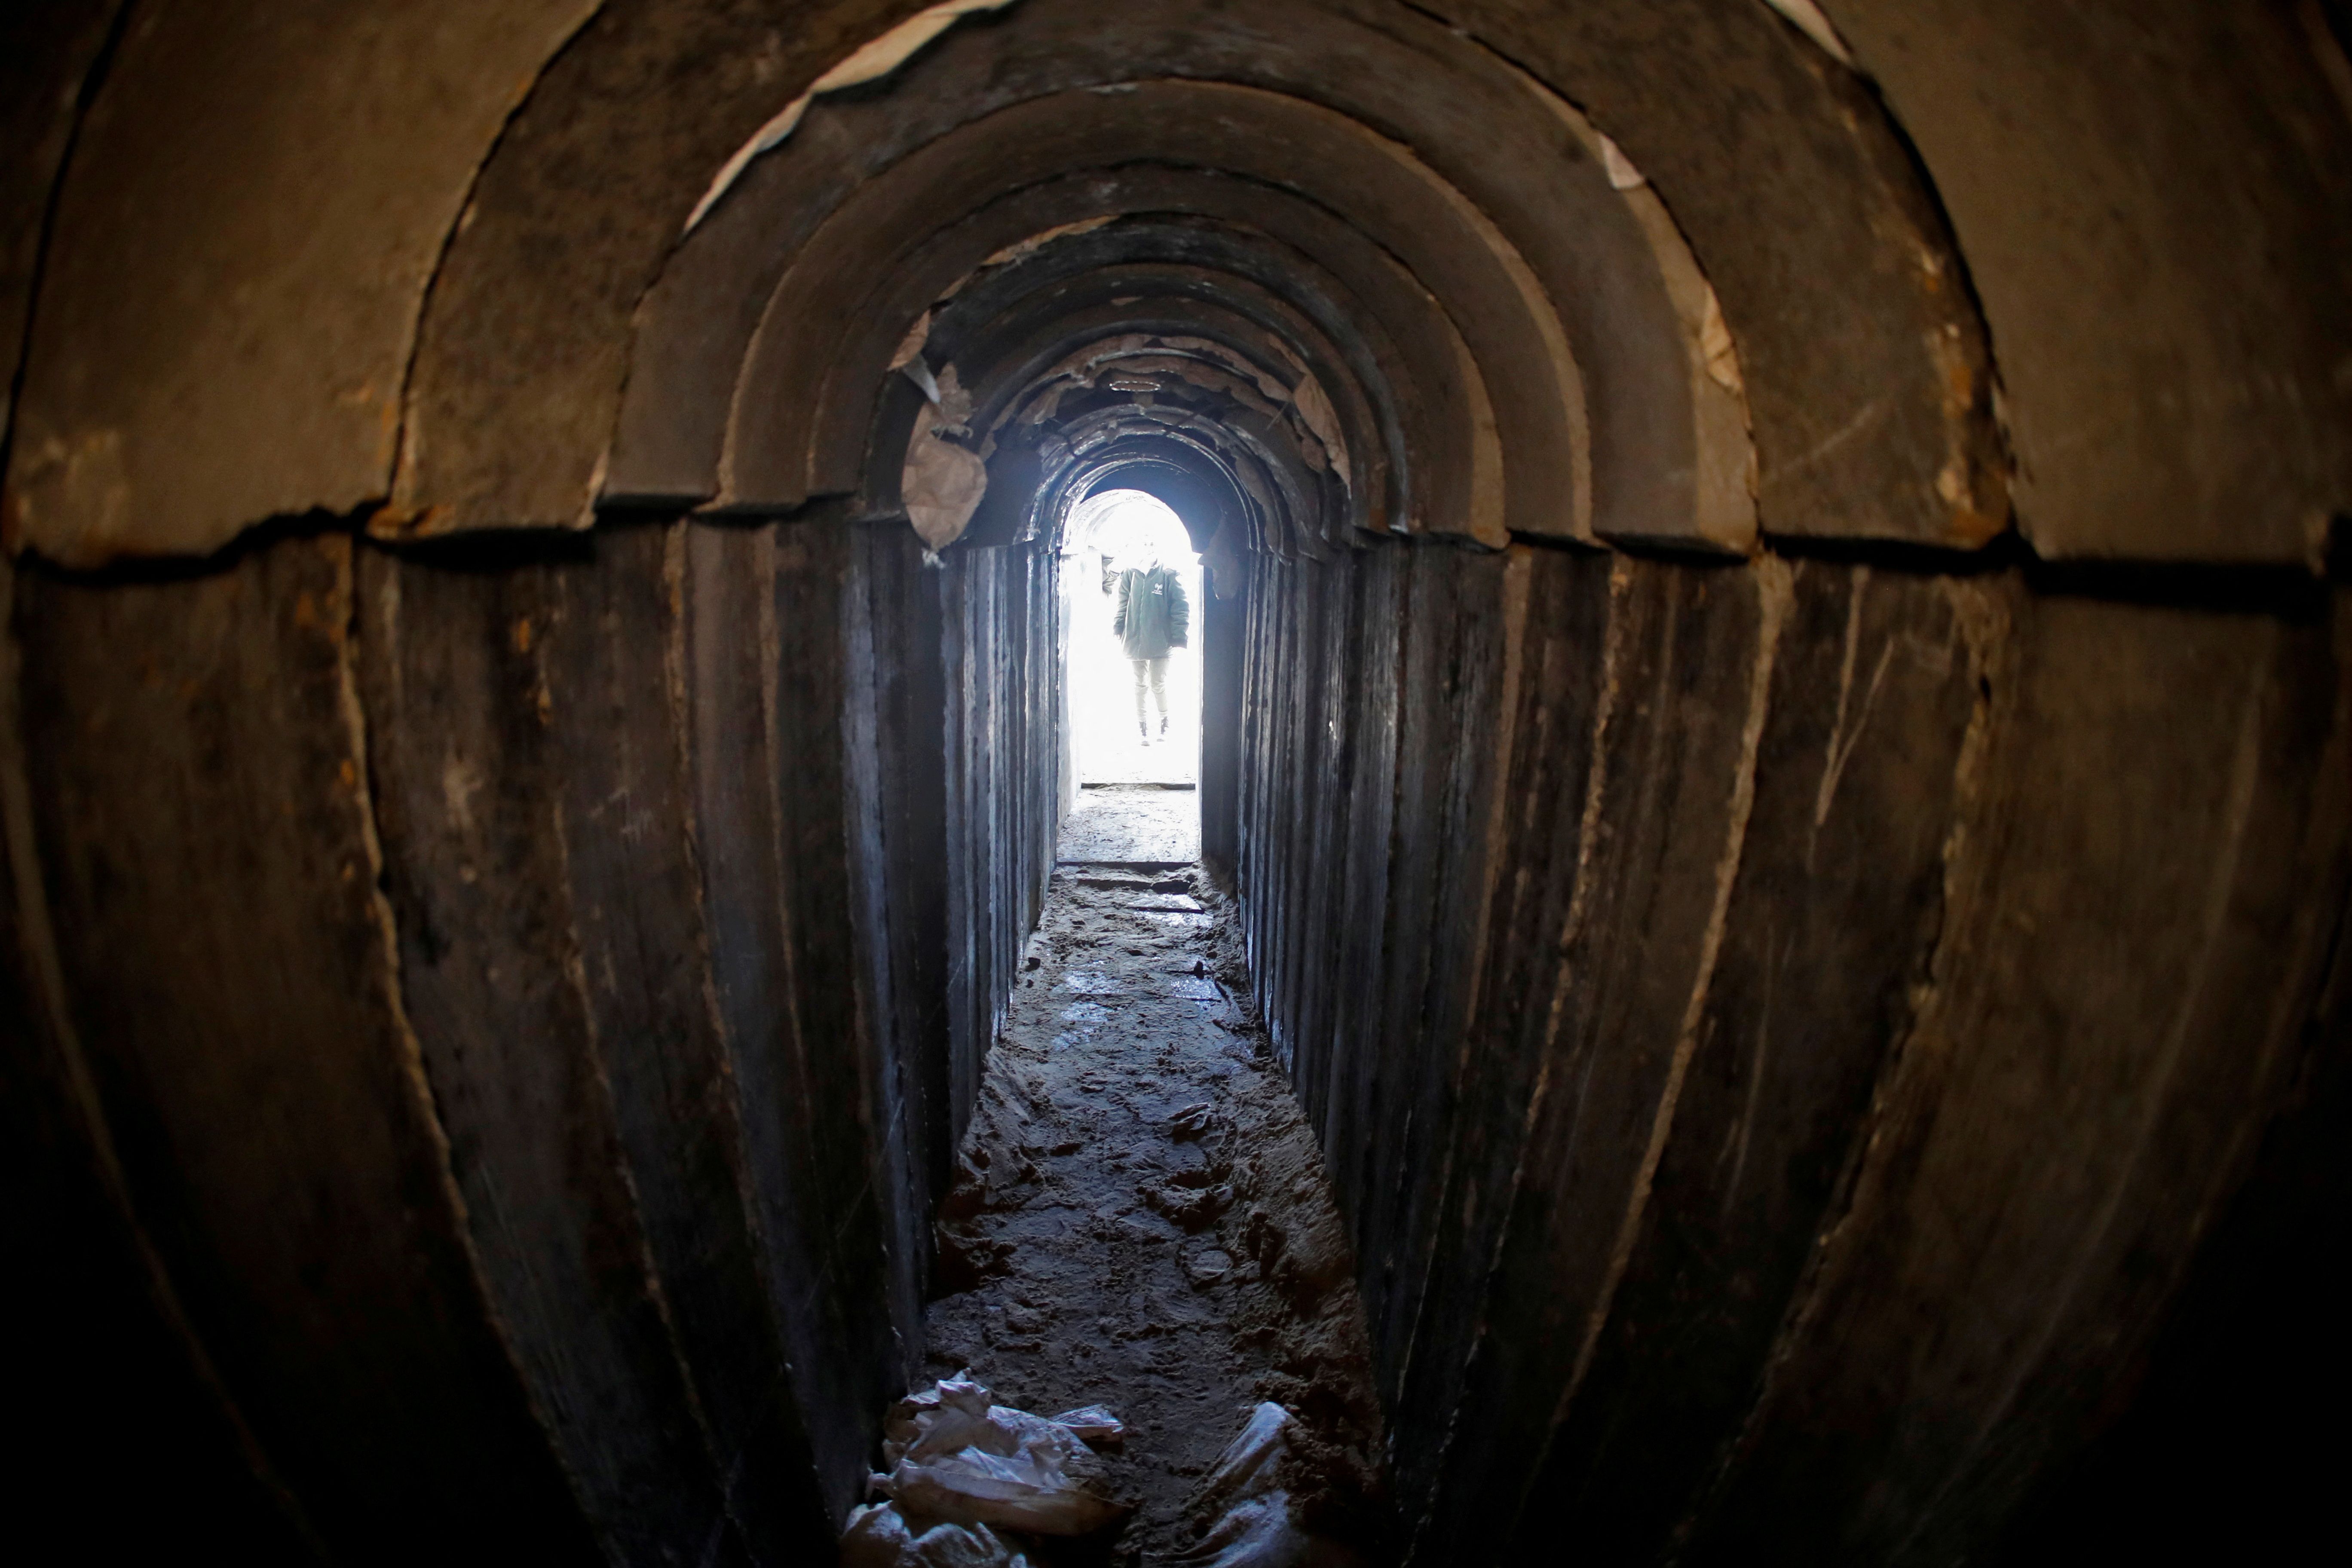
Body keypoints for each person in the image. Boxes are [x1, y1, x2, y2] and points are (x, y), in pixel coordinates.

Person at [1111, 545, 1189, 743]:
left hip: (1161, 640)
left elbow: (1180, 607)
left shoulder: (1168, 575)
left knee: (1157, 683)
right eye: (1142, 545)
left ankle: (1165, 723)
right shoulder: (1130, 574)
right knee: (1139, 684)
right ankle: (1142, 727)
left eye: (1150, 545)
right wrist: (1119, 625)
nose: (1146, 549)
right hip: (1134, 637)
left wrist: (1179, 635)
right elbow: (1123, 602)